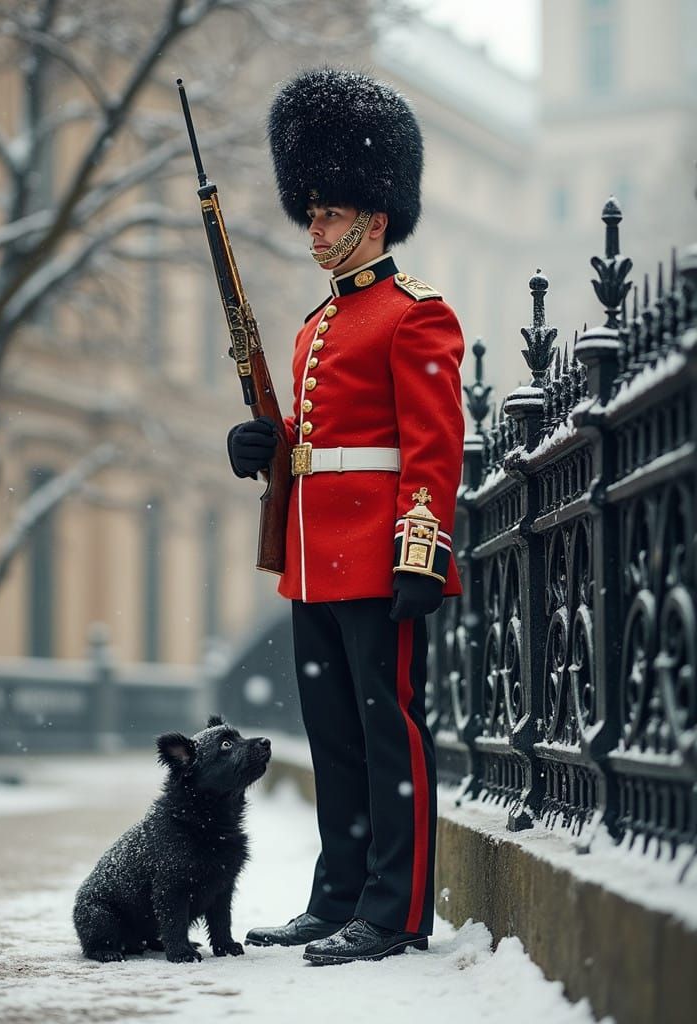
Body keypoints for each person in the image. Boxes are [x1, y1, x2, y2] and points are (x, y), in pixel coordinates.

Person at [226, 68, 465, 966]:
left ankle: (395, 908)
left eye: (329, 214)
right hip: (312, 556)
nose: (315, 230)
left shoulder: (416, 317)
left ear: (375, 214)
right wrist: (263, 441)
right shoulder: (314, 326)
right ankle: (336, 897)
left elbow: (432, 449)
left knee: (386, 729)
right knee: (332, 735)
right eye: (312, 212)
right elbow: (311, 437)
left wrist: (420, 550)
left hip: (377, 556)